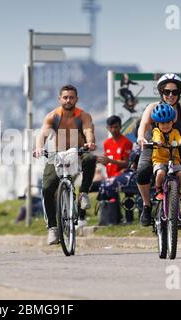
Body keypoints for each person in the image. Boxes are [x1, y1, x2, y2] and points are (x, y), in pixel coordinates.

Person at [137, 73, 181, 228]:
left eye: (174, 92)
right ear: (161, 92)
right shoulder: (152, 108)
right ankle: (147, 206)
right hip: (154, 148)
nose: (170, 95)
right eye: (167, 91)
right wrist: (141, 137)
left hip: (177, 147)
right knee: (142, 170)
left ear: (179, 93)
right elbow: (144, 125)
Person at [34, 84, 97, 245]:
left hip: (78, 152)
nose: (68, 100)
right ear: (60, 99)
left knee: (90, 159)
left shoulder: (83, 115)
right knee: (47, 188)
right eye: (65, 97)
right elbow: (43, 133)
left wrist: (90, 142)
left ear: (76, 99)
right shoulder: (53, 116)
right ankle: (53, 228)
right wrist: (39, 147)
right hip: (58, 155)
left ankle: (83, 193)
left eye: (71, 97)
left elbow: (88, 130)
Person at [96, 115, 133, 224]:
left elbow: (127, 164)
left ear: (120, 127)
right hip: (110, 177)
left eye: (116, 127)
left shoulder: (126, 142)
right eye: (111, 127)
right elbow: (108, 161)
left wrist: (110, 161)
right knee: (110, 196)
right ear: (107, 128)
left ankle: (129, 219)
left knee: (128, 195)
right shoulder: (106, 143)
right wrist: (102, 161)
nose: (114, 130)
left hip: (123, 177)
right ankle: (114, 218)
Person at [151, 103, 181, 201]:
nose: (165, 126)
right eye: (162, 123)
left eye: (168, 123)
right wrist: (158, 142)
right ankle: (158, 190)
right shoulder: (156, 131)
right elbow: (156, 138)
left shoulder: (175, 132)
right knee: (161, 173)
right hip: (160, 160)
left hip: (174, 160)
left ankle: (177, 191)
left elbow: (179, 138)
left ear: (172, 122)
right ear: (157, 124)